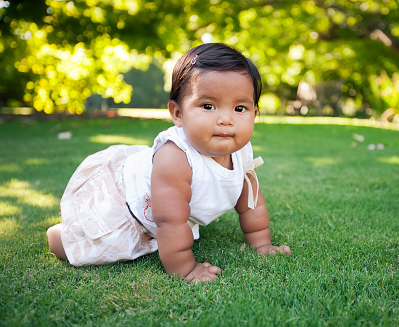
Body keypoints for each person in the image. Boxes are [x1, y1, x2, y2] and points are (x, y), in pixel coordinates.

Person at [46, 43, 291, 283]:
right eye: (208, 106)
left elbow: (251, 202)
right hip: (127, 205)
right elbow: (170, 222)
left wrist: (262, 243)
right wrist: (185, 269)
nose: (226, 119)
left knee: (159, 235)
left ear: (254, 114)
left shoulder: (241, 151)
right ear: (177, 113)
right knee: (91, 249)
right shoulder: (175, 157)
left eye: (240, 108)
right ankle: (60, 234)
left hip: (166, 212)